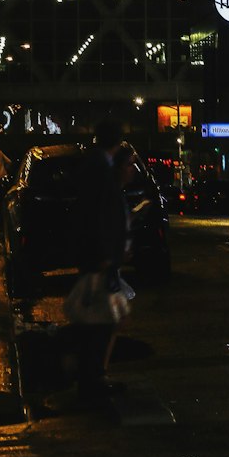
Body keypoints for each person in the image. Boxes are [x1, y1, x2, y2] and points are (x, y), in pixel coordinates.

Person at [70, 119, 132, 405]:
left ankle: (93, 377)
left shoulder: (95, 166)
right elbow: (99, 216)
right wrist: (105, 254)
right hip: (100, 258)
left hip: (98, 256)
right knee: (101, 321)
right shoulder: (100, 169)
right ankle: (92, 379)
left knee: (102, 319)